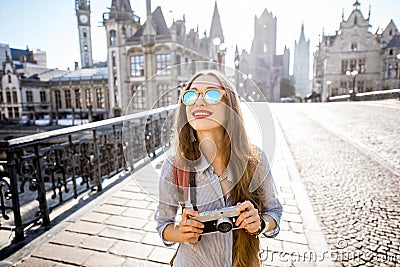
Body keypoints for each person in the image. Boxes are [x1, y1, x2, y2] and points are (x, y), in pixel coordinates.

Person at [155, 70, 282, 267]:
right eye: (191, 95)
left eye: (212, 94)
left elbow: (273, 211)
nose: (199, 102)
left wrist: (260, 224)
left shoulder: (254, 159)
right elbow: (164, 225)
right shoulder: (174, 165)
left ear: (229, 104)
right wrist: (182, 233)